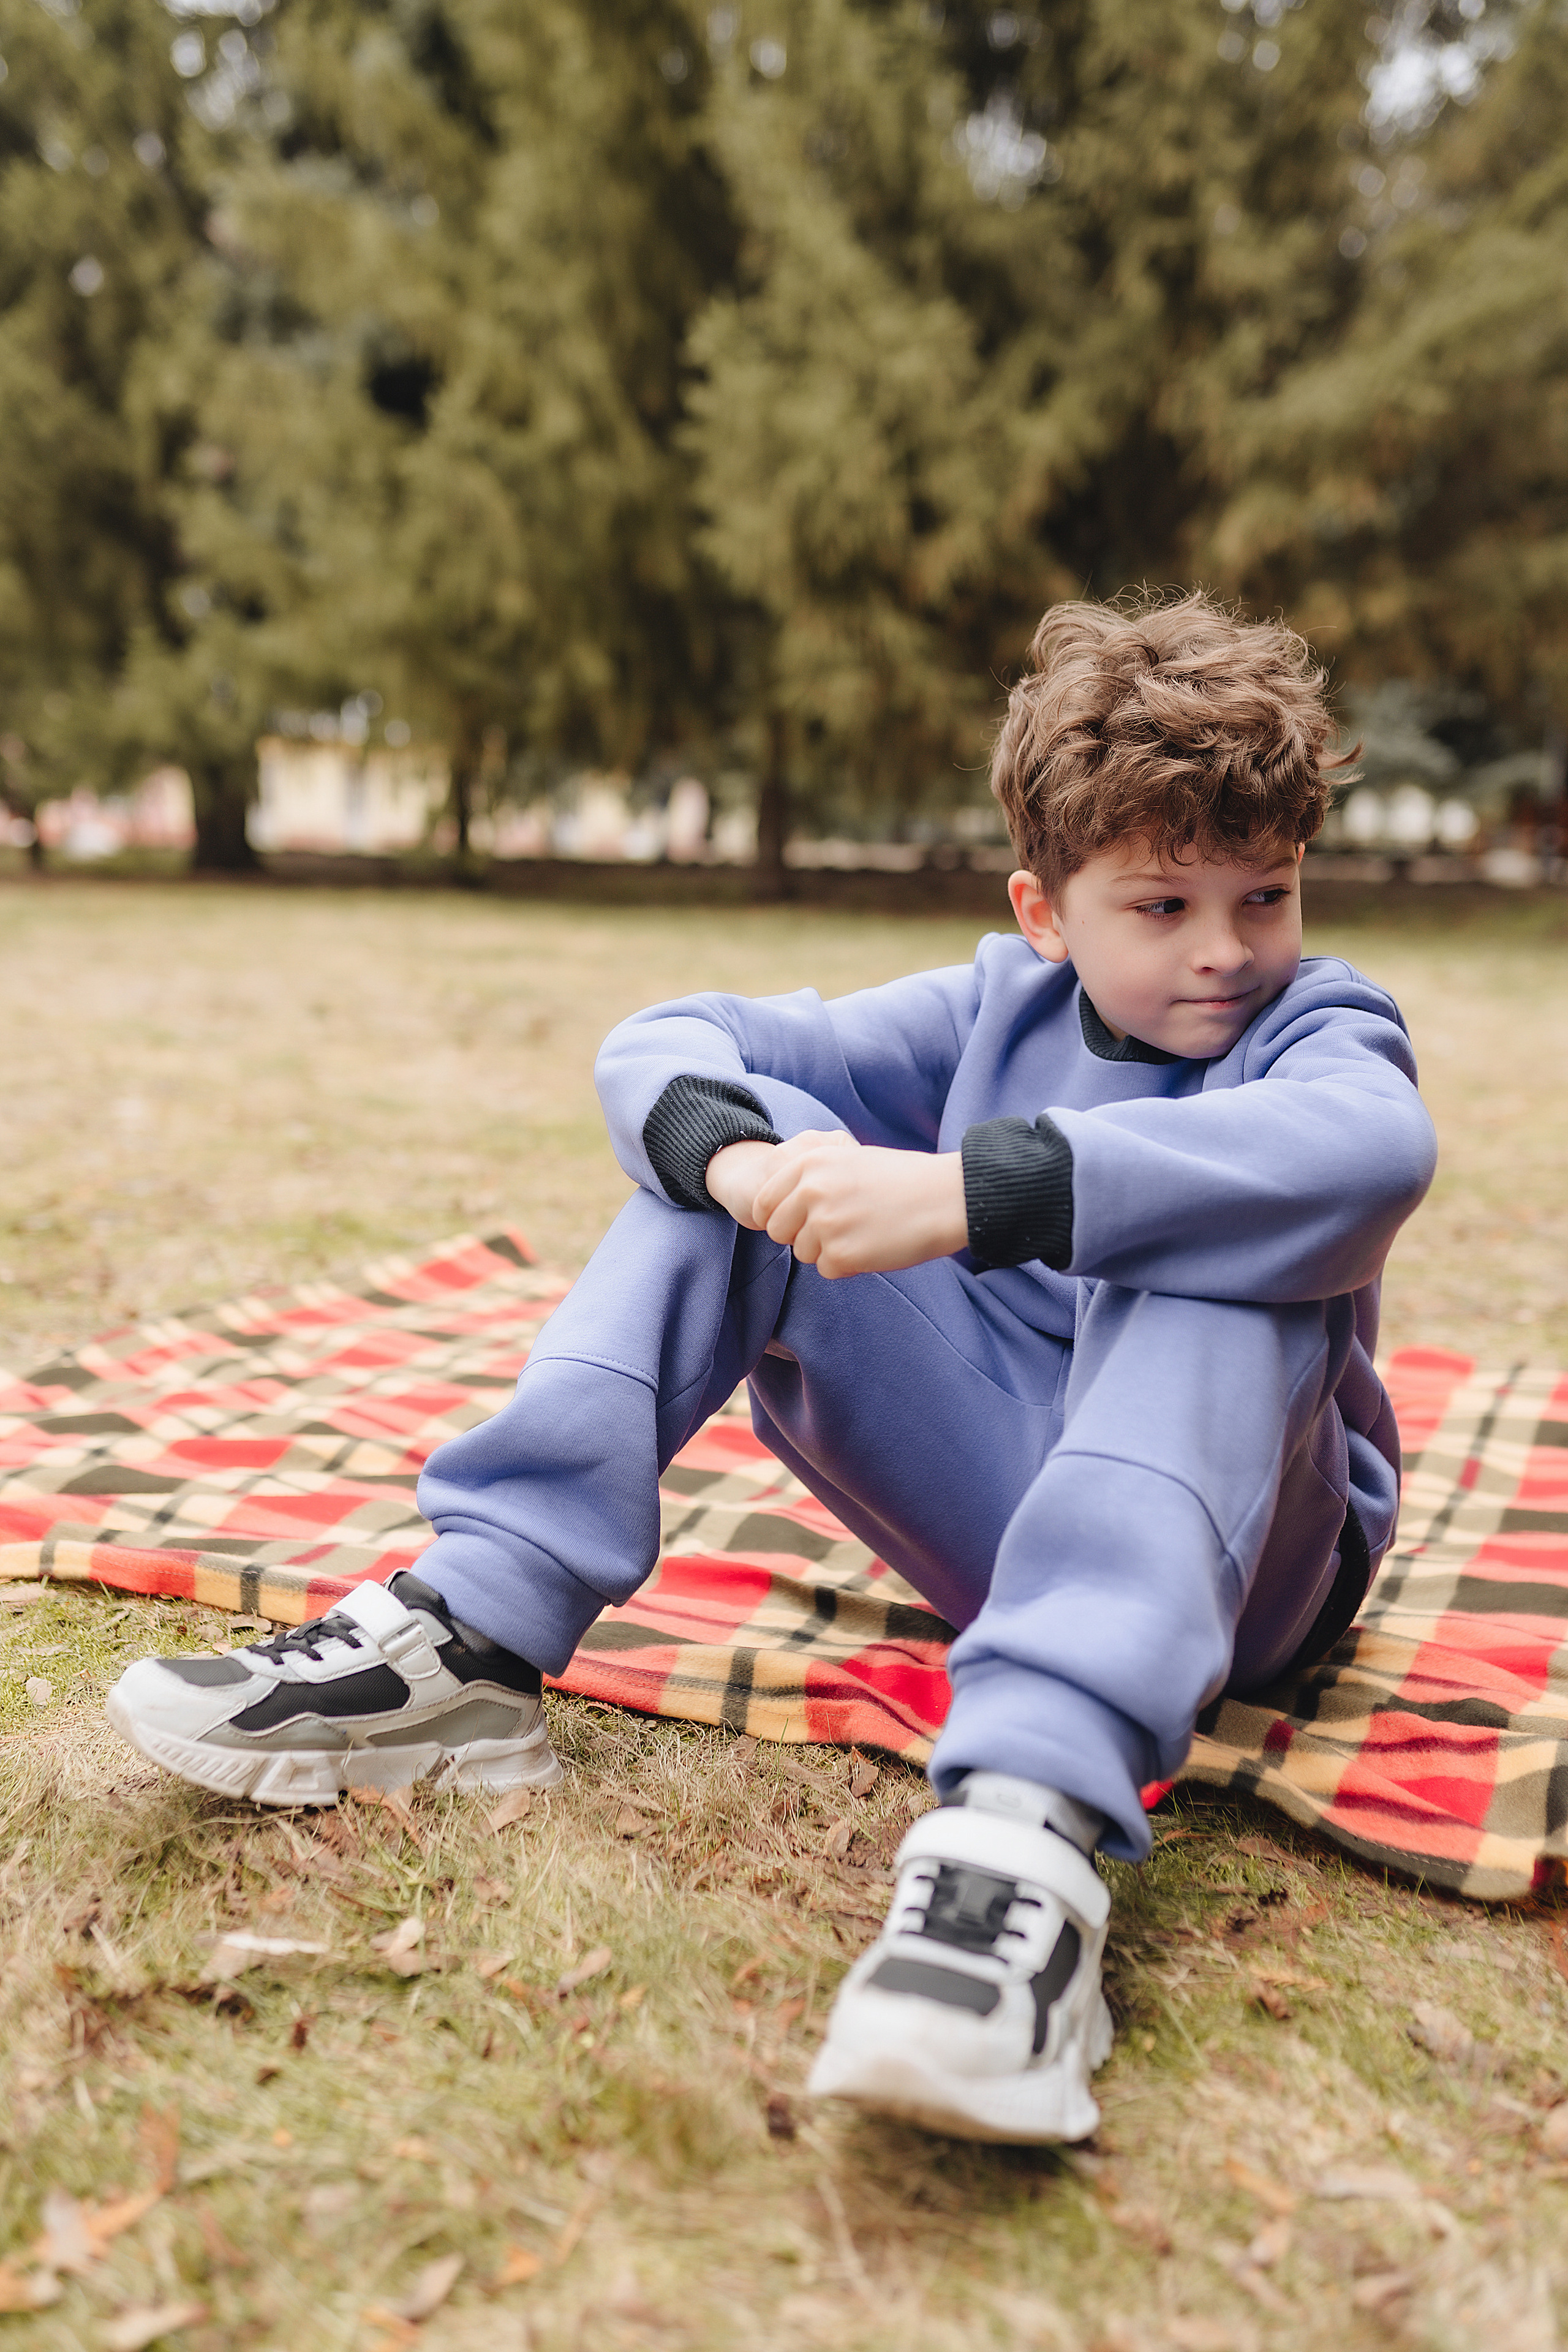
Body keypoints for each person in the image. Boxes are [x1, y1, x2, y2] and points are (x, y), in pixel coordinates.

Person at [108, 591, 1436, 2144]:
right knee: (748, 1159)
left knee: (1216, 1237)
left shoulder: (1316, 1029)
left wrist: (969, 1191)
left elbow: (1365, 1151)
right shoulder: (985, 1008)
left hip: (1246, 1576)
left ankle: (1023, 1845)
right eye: (1161, 907)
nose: (1226, 953)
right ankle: (475, 1633)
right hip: (1012, 1518)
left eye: (1261, 897)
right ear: (1042, 911)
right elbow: (664, 1036)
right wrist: (744, 1169)